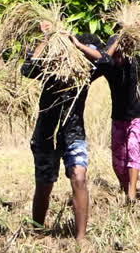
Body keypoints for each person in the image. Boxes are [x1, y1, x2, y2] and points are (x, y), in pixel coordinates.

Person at [21, 23, 103, 241]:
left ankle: (81, 238)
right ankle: (37, 230)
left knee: (79, 176)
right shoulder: (49, 70)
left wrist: (77, 45)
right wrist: (47, 38)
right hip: (45, 133)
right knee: (45, 184)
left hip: (73, 132)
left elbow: (104, 60)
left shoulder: (84, 72)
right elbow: (28, 68)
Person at [92, 35, 140, 202]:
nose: (119, 57)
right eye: (115, 53)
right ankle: (124, 187)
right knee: (118, 161)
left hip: (137, 116)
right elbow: (100, 64)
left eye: (121, 53)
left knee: (133, 150)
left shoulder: (134, 64)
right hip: (118, 117)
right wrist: (115, 44)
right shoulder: (109, 67)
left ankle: (131, 194)